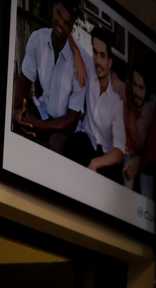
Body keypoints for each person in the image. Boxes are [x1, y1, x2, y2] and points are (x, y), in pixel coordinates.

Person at [13, 1, 86, 153]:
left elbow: (71, 120)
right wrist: (18, 109)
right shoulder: (37, 39)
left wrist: (37, 124)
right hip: (42, 111)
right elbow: (24, 81)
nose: (60, 23)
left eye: (67, 22)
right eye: (59, 14)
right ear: (53, 9)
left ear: (72, 25)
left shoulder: (80, 66)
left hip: (64, 127)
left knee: (55, 143)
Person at [66, 28, 126, 181]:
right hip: (84, 142)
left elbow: (118, 152)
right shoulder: (91, 69)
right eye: (95, 52)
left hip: (104, 158)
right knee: (72, 145)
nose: (97, 60)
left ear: (110, 62)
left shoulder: (117, 100)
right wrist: (78, 55)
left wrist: (95, 163)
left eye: (102, 56)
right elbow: (69, 35)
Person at [122, 65, 156, 191]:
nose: (136, 92)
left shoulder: (151, 110)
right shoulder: (126, 100)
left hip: (144, 161)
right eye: (134, 85)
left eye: (141, 88)